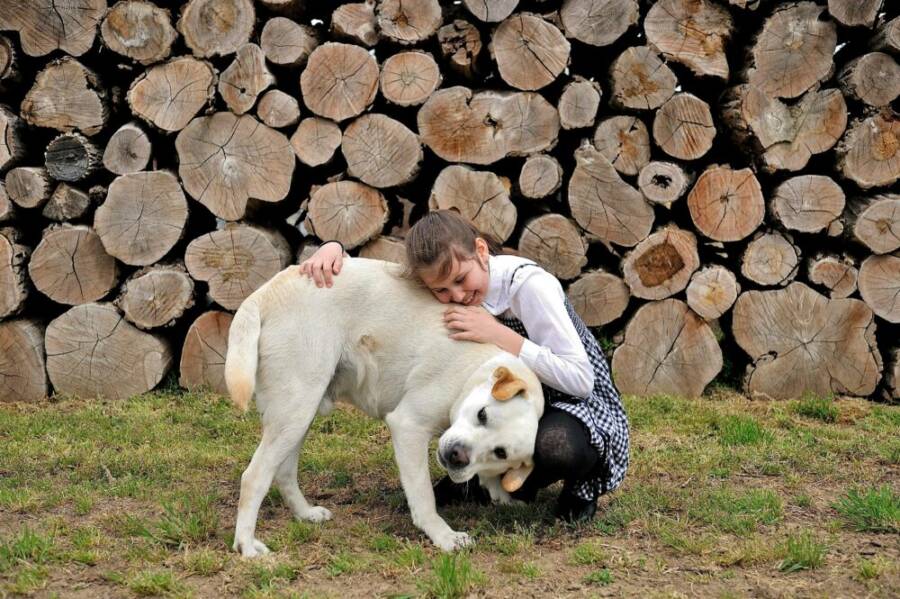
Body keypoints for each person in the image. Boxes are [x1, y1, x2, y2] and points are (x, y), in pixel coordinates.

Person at [299, 210, 629, 522]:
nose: (456, 294)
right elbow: (388, 280)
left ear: (481, 251)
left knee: (555, 446)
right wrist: (334, 249)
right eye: (441, 290)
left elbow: (580, 380)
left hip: (572, 400)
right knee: (469, 404)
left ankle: (582, 484)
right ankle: (476, 475)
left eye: (461, 279)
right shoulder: (447, 275)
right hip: (506, 397)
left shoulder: (529, 287)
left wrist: (498, 334)